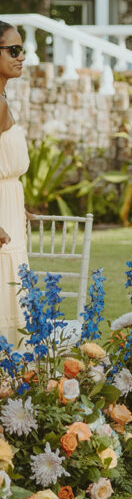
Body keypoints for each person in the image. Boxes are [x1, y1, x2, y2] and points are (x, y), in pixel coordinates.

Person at [0, 23, 30, 348]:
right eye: (13, 50)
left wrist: (16, 201)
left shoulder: (2, 98)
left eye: (22, 50)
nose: (21, 57)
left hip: (9, 211)